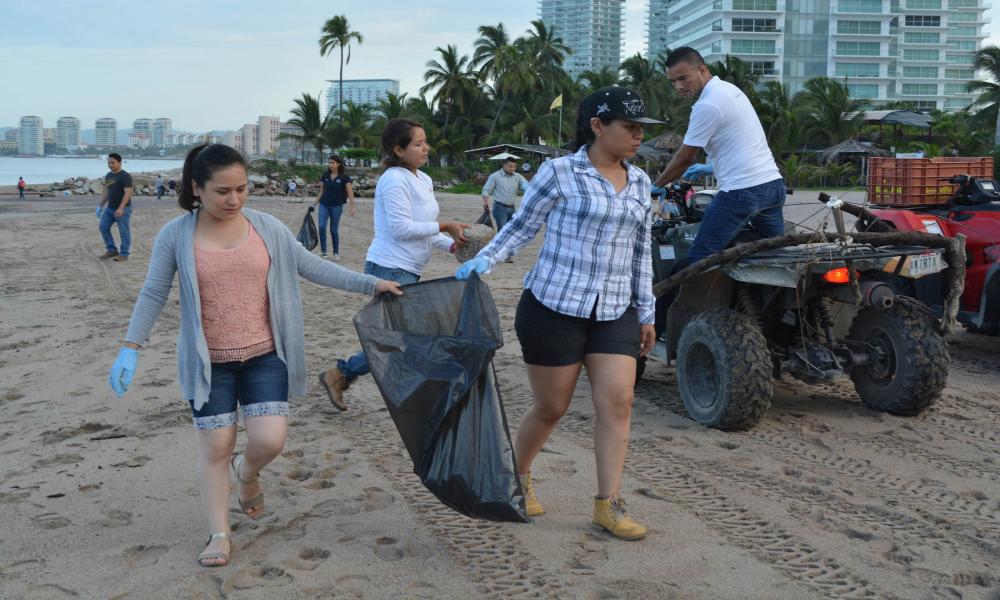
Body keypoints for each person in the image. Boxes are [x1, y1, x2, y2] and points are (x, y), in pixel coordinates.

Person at [106, 143, 403, 568]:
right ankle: (220, 534)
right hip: (209, 363)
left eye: (242, 189)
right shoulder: (176, 234)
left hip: (265, 355)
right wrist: (130, 348)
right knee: (216, 448)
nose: (234, 200)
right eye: (223, 191)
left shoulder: (266, 227)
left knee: (269, 440)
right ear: (197, 188)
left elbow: (311, 265)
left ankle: (246, 474)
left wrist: (370, 284)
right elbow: (154, 292)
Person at [455, 86, 661, 541]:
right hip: (553, 306)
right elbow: (521, 228)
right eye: (630, 127)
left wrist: (646, 312)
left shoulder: (643, 182)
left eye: (642, 128)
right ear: (597, 126)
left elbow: (642, 251)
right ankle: (519, 475)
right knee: (553, 406)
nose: (638, 135)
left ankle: (608, 504)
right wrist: (484, 260)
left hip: (614, 310)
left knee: (619, 401)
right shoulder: (558, 172)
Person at [318, 118, 470, 411]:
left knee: (396, 339)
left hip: (408, 269)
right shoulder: (393, 180)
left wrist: (451, 244)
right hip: (388, 269)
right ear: (398, 150)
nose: (426, 148)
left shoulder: (423, 180)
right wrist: (446, 225)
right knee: (401, 339)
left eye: (425, 141)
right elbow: (402, 229)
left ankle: (341, 375)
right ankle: (345, 375)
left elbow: (424, 229)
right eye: (418, 143)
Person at [654, 46, 785, 264]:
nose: (679, 86)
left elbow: (685, 157)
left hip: (741, 192)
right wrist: (710, 167)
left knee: (700, 260)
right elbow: (737, 144)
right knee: (773, 256)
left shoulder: (708, 104)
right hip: (772, 186)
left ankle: (683, 298)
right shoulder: (728, 89)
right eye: (673, 81)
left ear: (702, 70)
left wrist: (657, 184)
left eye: (683, 78)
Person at [314, 155, 356, 259]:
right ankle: (323, 251)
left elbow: (350, 192)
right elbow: (322, 190)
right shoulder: (325, 175)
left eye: (333, 163)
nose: (330, 165)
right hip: (324, 204)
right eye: (329, 163)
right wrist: (315, 203)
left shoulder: (344, 177)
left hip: (337, 206)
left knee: (333, 229)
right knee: (322, 226)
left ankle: (336, 253)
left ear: (338, 164)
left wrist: (352, 206)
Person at [98, 153, 134, 262]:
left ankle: (124, 254)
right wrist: (100, 205)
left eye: (113, 163)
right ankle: (112, 250)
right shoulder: (109, 175)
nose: (110, 165)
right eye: (109, 163)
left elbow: (128, 193)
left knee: (124, 232)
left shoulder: (125, 176)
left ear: (120, 162)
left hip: (123, 209)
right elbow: (107, 191)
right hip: (110, 208)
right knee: (103, 227)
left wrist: (121, 208)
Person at [481, 157, 529, 231]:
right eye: (510, 166)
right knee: (502, 229)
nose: (512, 169)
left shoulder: (517, 176)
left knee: (511, 229)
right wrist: (485, 202)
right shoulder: (495, 176)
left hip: (512, 208)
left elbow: (526, 184)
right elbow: (486, 190)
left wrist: (526, 188)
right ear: (504, 165)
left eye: (514, 167)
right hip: (500, 208)